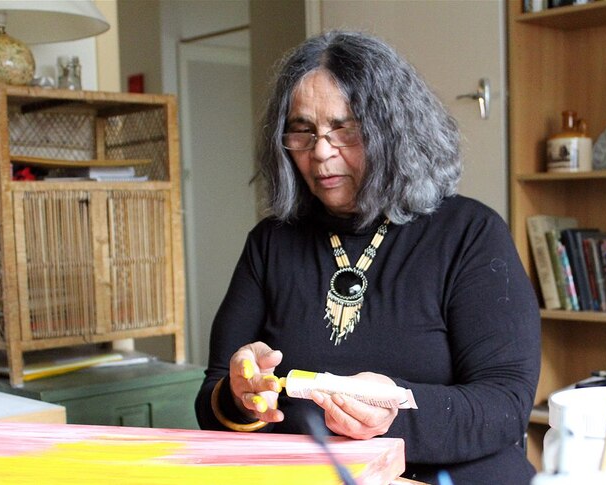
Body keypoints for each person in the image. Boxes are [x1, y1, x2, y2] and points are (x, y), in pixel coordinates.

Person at [195, 30, 541, 484]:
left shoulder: (470, 233)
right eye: (302, 131)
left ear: (395, 131)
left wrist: (396, 411)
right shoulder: (270, 243)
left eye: (345, 129)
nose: (320, 152)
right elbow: (213, 397)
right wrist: (241, 397)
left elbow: (505, 407)